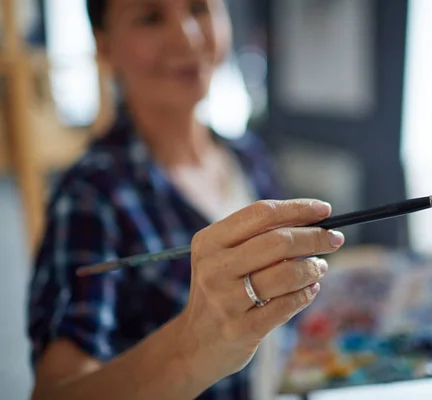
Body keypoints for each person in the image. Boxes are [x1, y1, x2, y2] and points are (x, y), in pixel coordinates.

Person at [27, 0, 345, 399]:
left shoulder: (249, 156)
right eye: (150, 18)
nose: (188, 36)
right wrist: (193, 346)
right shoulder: (90, 196)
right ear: (104, 46)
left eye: (199, 8)